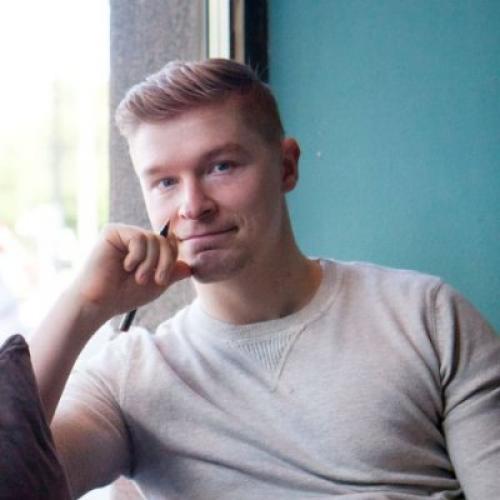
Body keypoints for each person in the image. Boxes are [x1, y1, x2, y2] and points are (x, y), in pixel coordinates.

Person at [29, 59, 500, 500]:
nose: (193, 206)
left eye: (221, 167)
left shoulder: (427, 316)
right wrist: (82, 306)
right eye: (165, 182)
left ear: (287, 166)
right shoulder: (128, 377)